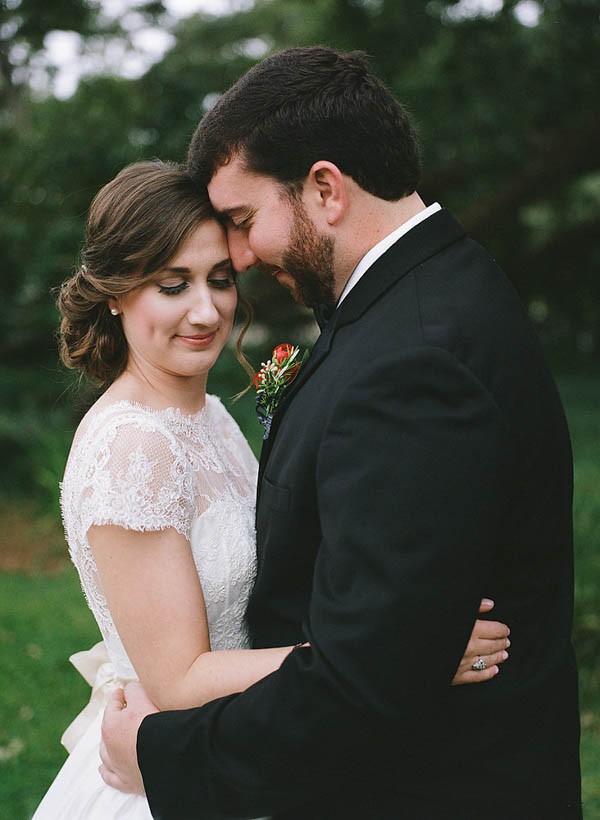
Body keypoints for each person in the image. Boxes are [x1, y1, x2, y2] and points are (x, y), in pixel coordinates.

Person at [100, 47, 581, 819]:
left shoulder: (413, 357)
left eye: (243, 222)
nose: (240, 257)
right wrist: (409, 648)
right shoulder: (438, 288)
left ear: (324, 188)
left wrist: (158, 755)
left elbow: (365, 684)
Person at [33, 159, 504, 819]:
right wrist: (400, 651)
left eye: (220, 279)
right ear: (116, 293)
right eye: (173, 285)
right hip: (179, 765)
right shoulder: (130, 449)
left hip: (256, 741)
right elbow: (180, 679)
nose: (207, 310)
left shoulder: (207, 412)